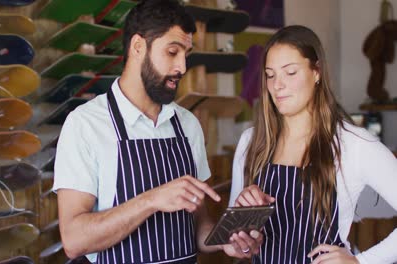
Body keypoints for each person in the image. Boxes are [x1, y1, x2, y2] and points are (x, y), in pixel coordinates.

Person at [53, 1, 263, 263]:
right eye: (172, 52)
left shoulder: (187, 124)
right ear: (138, 47)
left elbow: (200, 228)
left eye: (186, 54)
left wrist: (226, 241)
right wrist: (152, 200)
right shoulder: (86, 125)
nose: (182, 67)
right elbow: (74, 240)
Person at [229, 25, 397, 264]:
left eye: (290, 72)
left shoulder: (354, 144)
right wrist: (241, 229)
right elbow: (237, 243)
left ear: (316, 71)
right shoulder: (251, 142)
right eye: (270, 74)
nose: (277, 85)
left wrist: (361, 262)